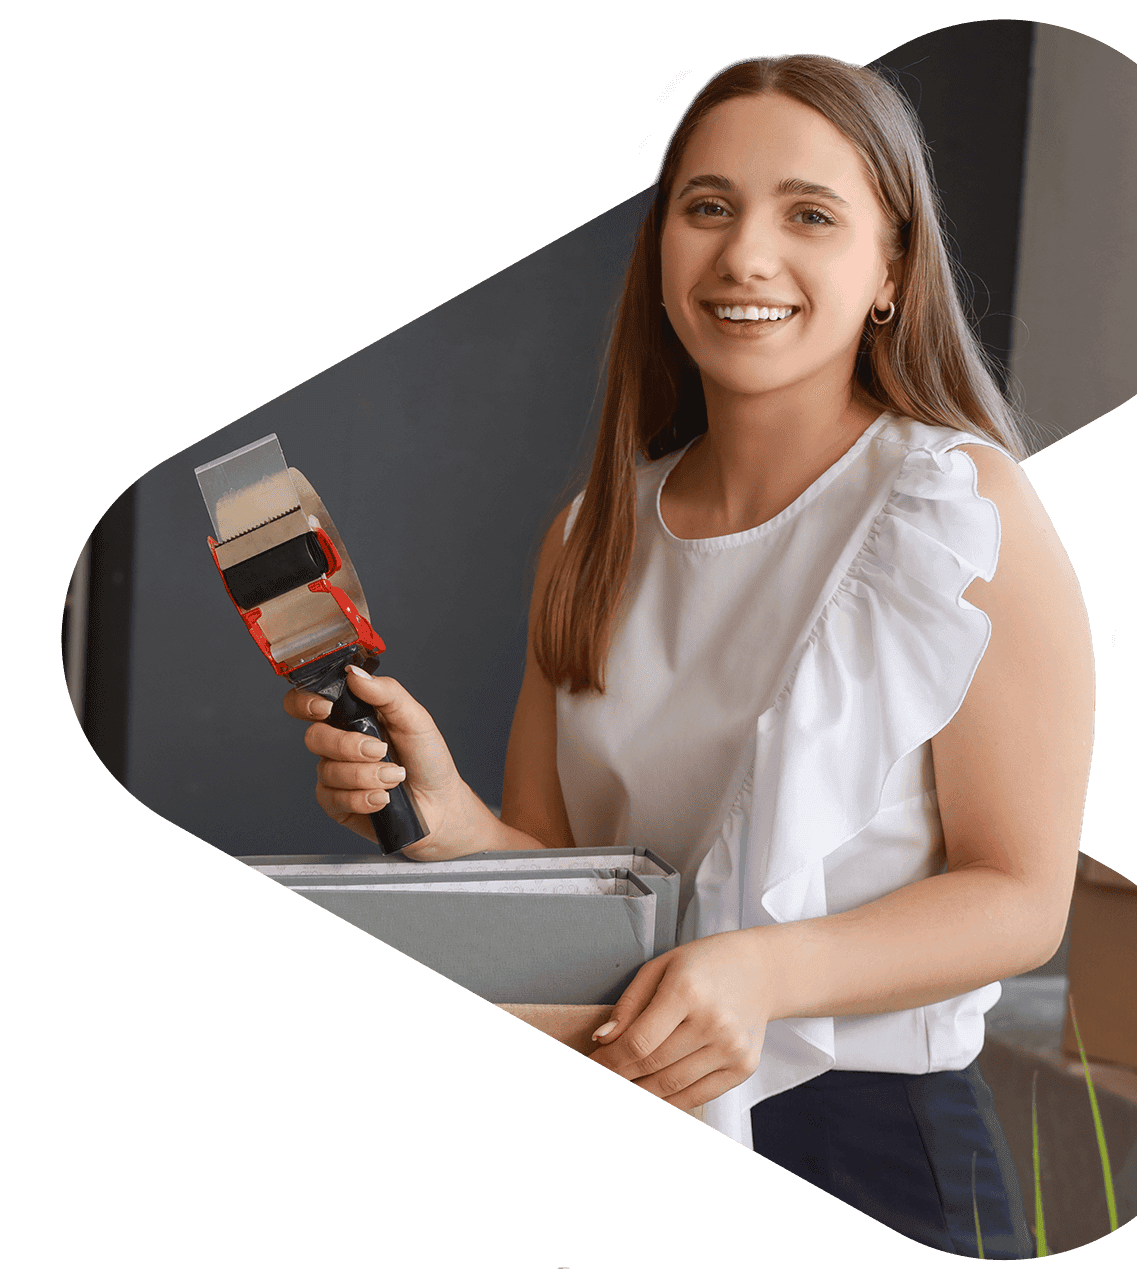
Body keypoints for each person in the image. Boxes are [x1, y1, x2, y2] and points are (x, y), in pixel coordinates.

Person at [284, 55, 1092, 1259]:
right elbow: (575, 892)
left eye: (808, 214)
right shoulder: (586, 537)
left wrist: (762, 974)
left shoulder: (959, 507)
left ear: (891, 269)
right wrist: (450, 824)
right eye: (705, 207)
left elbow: (1020, 896)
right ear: (659, 250)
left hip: (874, 1151)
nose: (743, 257)